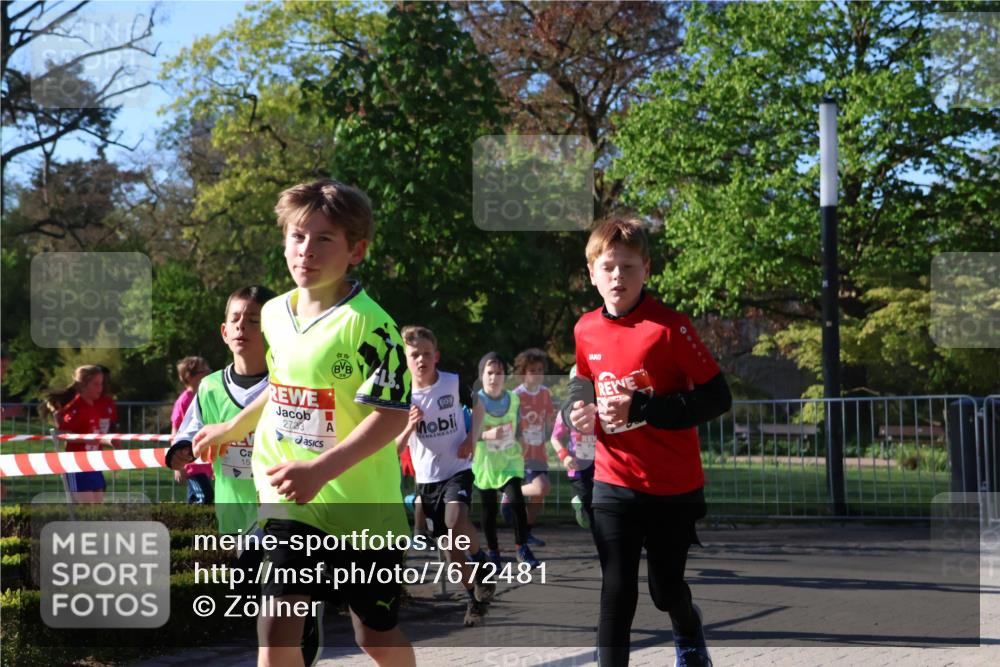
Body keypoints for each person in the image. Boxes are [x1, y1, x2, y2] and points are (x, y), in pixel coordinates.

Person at [192, 179, 415, 667]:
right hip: (290, 501)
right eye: (297, 236)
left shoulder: (371, 325)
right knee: (276, 629)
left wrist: (322, 470)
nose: (306, 250)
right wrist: (233, 427)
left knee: (374, 636)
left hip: (362, 512)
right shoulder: (274, 313)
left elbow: (391, 415)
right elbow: (279, 386)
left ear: (356, 251)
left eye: (324, 239)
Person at [564, 217, 731, 667]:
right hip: (613, 480)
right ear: (592, 273)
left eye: (629, 267)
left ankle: (688, 630)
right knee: (616, 588)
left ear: (647, 270)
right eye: (608, 267)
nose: (618, 276)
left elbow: (718, 398)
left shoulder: (669, 328)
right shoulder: (585, 329)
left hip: (672, 486)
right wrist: (576, 408)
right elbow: (583, 380)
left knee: (665, 589)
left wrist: (642, 407)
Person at [166, 285, 329, 666]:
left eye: (254, 320)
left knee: (276, 616)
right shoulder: (208, 388)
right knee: (256, 599)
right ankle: (303, 624)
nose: (243, 327)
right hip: (235, 513)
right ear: (224, 332)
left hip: (286, 512)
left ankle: (302, 632)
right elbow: (190, 433)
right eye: (236, 319)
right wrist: (181, 452)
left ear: (271, 329)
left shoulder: (290, 383)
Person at [395, 325, 494, 627]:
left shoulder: (452, 383)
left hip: (457, 468)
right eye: (415, 355)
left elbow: (479, 408)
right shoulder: (400, 395)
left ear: (436, 356)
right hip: (427, 480)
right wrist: (409, 427)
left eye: (427, 354)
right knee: (451, 552)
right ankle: (473, 598)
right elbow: (394, 448)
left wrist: (471, 439)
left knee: (455, 520)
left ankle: (481, 562)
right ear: (405, 358)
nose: (421, 360)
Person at [472, 352, 539, 569]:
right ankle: (493, 552)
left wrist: (522, 439)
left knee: (517, 501)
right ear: (482, 375)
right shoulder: (475, 401)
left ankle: (522, 547)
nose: (494, 377)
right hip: (485, 462)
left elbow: (518, 425)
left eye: (499, 373)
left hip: (510, 460)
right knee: (489, 510)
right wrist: (487, 435)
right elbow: (467, 434)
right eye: (489, 373)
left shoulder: (514, 398)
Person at [44, 365, 118, 503]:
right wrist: (86, 439)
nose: (100, 388)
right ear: (83, 385)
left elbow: (94, 435)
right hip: (77, 465)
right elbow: (62, 434)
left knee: (96, 510)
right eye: (96, 384)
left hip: (94, 464)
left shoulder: (93, 406)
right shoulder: (76, 408)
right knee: (86, 510)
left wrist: (108, 440)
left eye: (101, 384)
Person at [507, 348, 556, 546]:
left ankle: (526, 532)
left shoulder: (545, 393)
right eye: (532, 370)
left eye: (540, 370)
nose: (537, 374)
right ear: (523, 373)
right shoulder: (515, 396)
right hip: (521, 453)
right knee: (542, 486)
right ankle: (509, 495)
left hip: (539, 451)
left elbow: (549, 419)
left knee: (539, 495)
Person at [550, 365, 596, 530]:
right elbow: (555, 438)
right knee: (587, 501)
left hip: (598, 464)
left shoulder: (598, 407)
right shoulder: (566, 412)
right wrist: (564, 455)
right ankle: (580, 505)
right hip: (577, 465)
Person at [171, 356, 214, 504]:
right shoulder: (183, 401)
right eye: (205, 372)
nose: (209, 374)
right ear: (190, 377)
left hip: (204, 462)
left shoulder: (205, 397)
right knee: (204, 497)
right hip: (190, 463)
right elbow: (175, 433)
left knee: (202, 498)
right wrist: (177, 466)